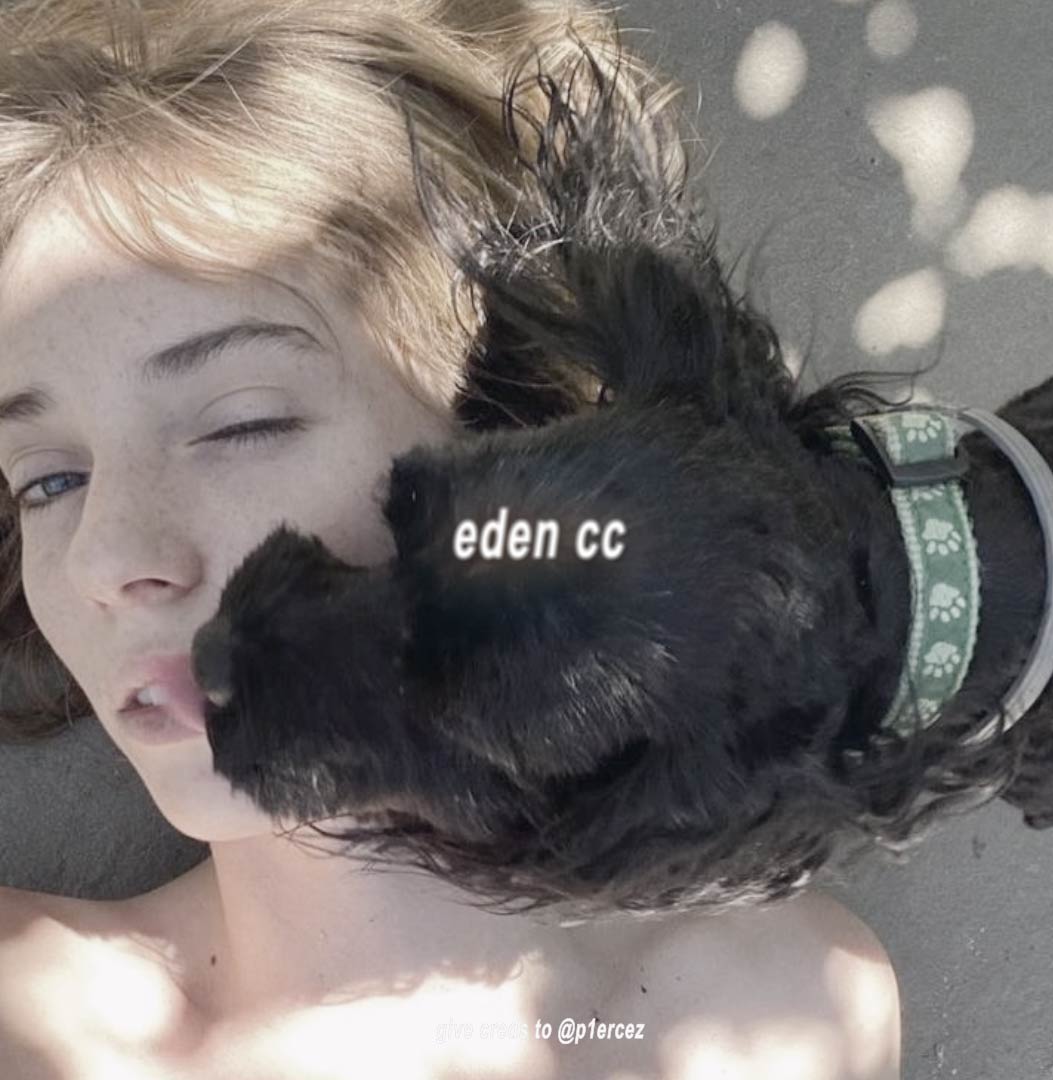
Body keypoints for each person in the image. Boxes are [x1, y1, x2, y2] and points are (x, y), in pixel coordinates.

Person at [0, 1, 902, 1076]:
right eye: (48, 479)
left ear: (520, 440)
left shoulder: (792, 1015)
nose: (104, 558)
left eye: (241, 424)